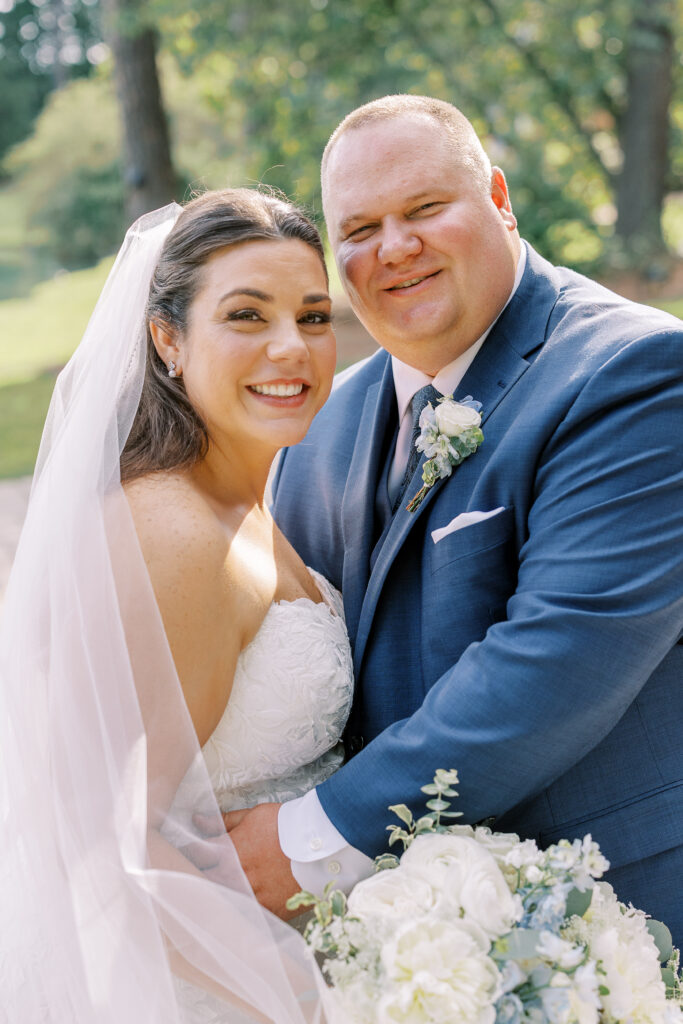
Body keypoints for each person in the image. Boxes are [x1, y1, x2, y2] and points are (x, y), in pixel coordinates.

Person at [224, 95, 683, 952]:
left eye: (425, 208)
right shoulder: (318, 430)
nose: (394, 248)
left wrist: (310, 841)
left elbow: (555, 657)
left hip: (606, 923)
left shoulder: (636, 374)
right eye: (358, 228)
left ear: (500, 200)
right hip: (389, 945)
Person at [0, 188, 352, 1022]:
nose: (288, 348)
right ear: (167, 338)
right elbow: (101, 843)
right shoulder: (179, 536)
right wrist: (313, 999)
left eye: (311, 316)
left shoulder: (242, 502)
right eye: (244, 315)